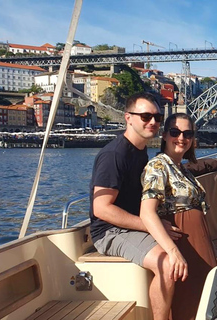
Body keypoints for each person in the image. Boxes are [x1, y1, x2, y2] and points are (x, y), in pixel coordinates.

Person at [89, 92, 181, 320]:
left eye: (158, 118)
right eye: (146, 116)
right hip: (109, 232)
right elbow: (101, 208)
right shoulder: (114, 155)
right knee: (168, 262)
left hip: (132, 227)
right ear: (128, 118)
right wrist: (152, 226)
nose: (153, 122)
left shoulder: (140, 151)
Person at [140, 112, 217, 320]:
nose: (181, 138)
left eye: (187, 133)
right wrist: (173, 252)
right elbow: (147, 211)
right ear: (164, 135)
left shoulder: (182, 169)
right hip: (182, 243)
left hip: (198, 242)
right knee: (189, 303)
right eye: (175, 132)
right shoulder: (158, 166)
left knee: (206, 298)